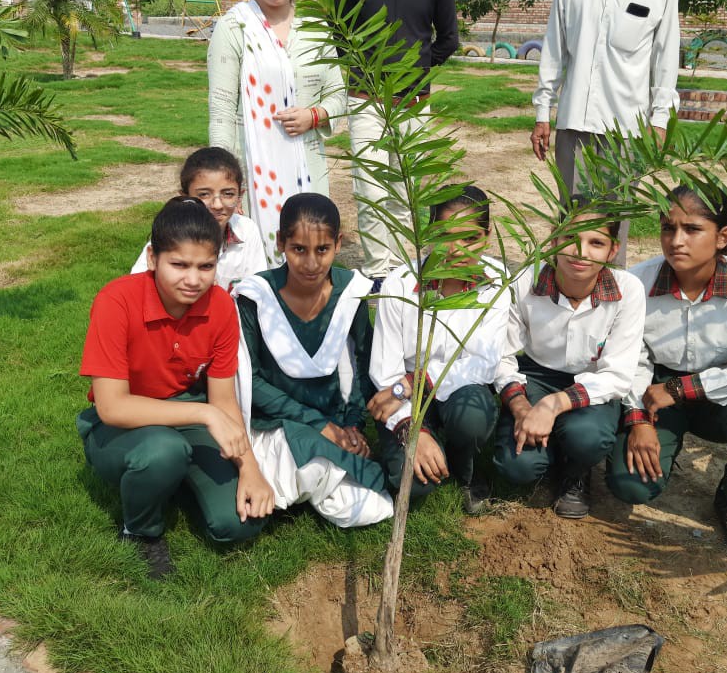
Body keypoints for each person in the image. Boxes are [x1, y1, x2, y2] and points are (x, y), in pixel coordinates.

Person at [77, 196, 274, 579]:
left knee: (239, 525)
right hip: (119, 427)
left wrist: (250, 468)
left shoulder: (219, 305)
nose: (193, 279)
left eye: (206, 266)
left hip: (184, 414)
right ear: (152, 259)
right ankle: (141, 531)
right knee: (163, 451)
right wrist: (204, 413)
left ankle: (177, 478)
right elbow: (112, 407)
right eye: (179, 265)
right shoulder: (116, 300)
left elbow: (223, 399)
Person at [606, 184, 727, 561]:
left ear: (722, 237)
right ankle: (659, 442)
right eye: (667, 228)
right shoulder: (638, 282)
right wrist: (638, 420)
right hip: (656, 393)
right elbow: (632, 357)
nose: (676, 241)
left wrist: (682, 387)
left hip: (722, 393)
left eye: (692, 229)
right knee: (630, 487)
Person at [529, 0, 680, 265]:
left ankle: (610, 298)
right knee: (570, 216)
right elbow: (553, 51)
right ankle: (563, 292)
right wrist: (542, 113)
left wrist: (659, 119)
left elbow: (665, 56)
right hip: (574, 124)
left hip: (626, 129)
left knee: (615, 221)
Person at [234, 193, 393, 527]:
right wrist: (316, 424)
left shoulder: (351, 293)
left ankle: (311, 482)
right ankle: (312, 477)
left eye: (322, 250)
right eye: (298, 249)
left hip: (334, 420)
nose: (310, 264)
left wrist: (352, 426)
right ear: (280, 243)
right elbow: (251, 379)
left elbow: (360, 366)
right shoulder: (255, 296)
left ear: (338, 243)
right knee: (310, 459)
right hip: (275, 424)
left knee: (372, 507)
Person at [333, 0, 459, 286]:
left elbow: (449, 38)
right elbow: (338, 34)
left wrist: (419, 71)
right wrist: (365, 76)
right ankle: (376, 272)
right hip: (367, 99)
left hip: (414, 101)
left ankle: (403, 272)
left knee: (406, 192)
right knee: (371, 189)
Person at [493, 197, 646, 518]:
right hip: (537, 375)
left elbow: (617, 374)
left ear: (612, 250)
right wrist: (522, 408)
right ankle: (547, 456)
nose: (581, 252)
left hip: (593, 383)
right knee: (518, 467)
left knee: (587, 437)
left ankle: (576, 473)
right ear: (553, 239)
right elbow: (502, 356)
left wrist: (552, 406)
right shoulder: (524, 282)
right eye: (570, 239)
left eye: (596, 242)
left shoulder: (628, 290)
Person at [208, 0, 346, 265]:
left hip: (308, 167)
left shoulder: (315, 28)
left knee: (310, 254)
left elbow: (339, 97)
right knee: (258, 264)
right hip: (253, 171)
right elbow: (223, 111)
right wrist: (227, 185)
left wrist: (312, 115)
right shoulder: (235, 27)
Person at [367, 186, 506, 514]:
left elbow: (483, 363)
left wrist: (414, 381)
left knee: (473, 416)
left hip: (456, 393)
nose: (457, 250)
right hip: (405, 401)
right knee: (413, 484)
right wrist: (413, 430)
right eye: (445, 237)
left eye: (470, 239)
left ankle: (465, 463)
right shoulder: (400, 285)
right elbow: (385, 372)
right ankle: (426, 444)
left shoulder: (496, 284)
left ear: (487, 236)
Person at [131, 146, 266, 290]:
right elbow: (136, 288)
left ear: (240, 196)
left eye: (228, 194)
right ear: (184, 197)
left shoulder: (247, 230)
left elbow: (258, 290)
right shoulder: (169, 235)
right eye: (204, 195)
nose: (217, 205)